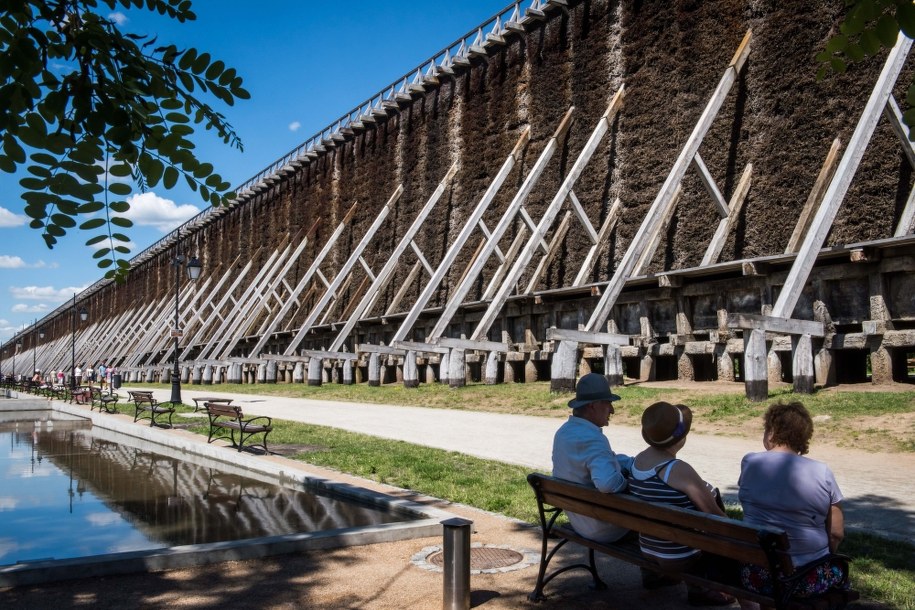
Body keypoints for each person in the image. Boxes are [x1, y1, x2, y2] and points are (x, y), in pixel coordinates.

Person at [738, 402, 847, 604]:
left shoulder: (750, 463)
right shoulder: (821, 472)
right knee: (839, 571)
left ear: (771, 432)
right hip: (806, 580)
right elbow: (836, 532)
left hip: (755, 575)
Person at [627, 401, 734, 607]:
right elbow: (718, 518)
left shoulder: (638, 461)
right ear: (681, 436)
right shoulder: (677, 469)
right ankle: (703, 589)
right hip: (678, 556)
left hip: (648, 548)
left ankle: (659, 577)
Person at [552, 373, 633, 544]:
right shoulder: (593, 438)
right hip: (604, 528)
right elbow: (608, 484)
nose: (612, 410)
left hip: (580, 521)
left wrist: (630, 462)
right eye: (608, 403)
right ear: (593, 406)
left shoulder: (563, 432)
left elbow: (597, 460)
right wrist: (626, 479)